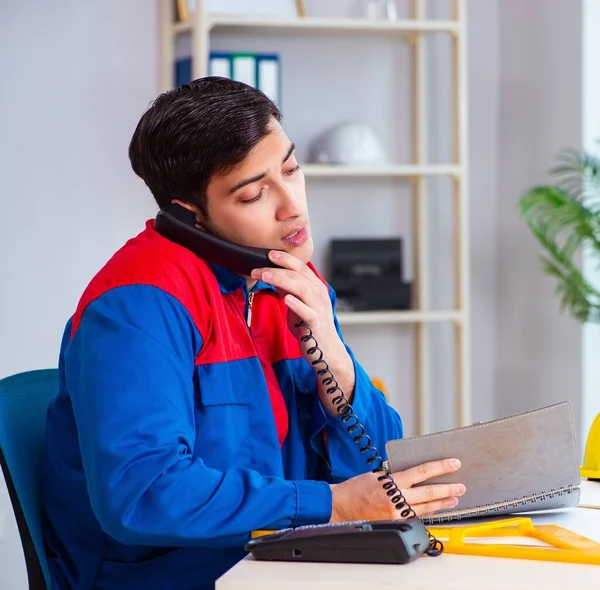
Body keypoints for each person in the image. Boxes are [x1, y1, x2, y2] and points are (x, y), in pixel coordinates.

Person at [40, 77, 465, 590]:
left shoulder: (289, 285)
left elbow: (376, 469)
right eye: (254, 193)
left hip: (281, 565)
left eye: (290, 169)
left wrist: (336, 363)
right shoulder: (137, 307)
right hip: (178, 578)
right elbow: (143, 492)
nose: (292, 205)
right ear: (188, 216)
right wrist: (331, 505)